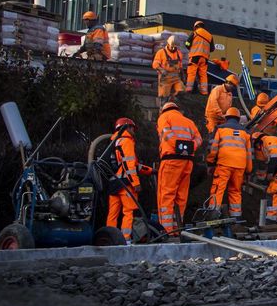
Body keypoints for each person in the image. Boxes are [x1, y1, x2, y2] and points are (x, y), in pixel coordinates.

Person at [155, 101, 202, 233]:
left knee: (166, 194)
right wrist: (189, 147)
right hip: (187, 162)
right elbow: (199, 139)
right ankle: (177, 228)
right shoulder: (189, 121)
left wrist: (179, 147)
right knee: (181, 196)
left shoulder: (164, 117)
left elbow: (167, 135)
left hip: (171, 160)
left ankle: (166, 229)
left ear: (164, 110)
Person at [205, 107, 252, 222]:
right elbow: (249, 154)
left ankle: (213, 215)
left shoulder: (220, 129)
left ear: (226, 117)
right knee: (235, 191)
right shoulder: (245, 132)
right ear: (238, 118)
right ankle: (236, 218)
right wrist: (249, 171)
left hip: (224, 164)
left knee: (218, 189)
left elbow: (213, 148)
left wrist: (210, 162)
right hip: (240, 166)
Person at [107, 117, 150, 242]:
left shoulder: (113, 142)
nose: (134, 131)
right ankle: (125, 240)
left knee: (113, 214)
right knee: (128, 212)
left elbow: (133, 165)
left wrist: (150, 171)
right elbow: (129, 166)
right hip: (125, 183)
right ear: (127, 127)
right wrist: (135, 183)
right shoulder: (127, 142)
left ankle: (110, 239)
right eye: (132, 128)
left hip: (113, 182)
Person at [151, 35, 186, 107]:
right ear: (168, 44)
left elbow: (180, 66)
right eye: (171, 46)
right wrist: (162, 70)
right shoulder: (161, 52)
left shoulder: (179, 53)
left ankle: (173, 102)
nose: (173, 48)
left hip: (176, 79)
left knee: (181, 91)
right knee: (163, 98)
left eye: (175, 47)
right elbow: (155, 64)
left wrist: (183, 77)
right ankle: (162, 111)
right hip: (165, 79)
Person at [186, 20, 214, 95]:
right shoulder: (209, 35)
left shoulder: (195, 33)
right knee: (203, 74)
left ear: (196, 27)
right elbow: (212, 49)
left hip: (195, 56)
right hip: (204, 58)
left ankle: (189, 89)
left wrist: (190, 48)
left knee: (191, 72)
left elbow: (187, 43)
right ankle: (204, 91)